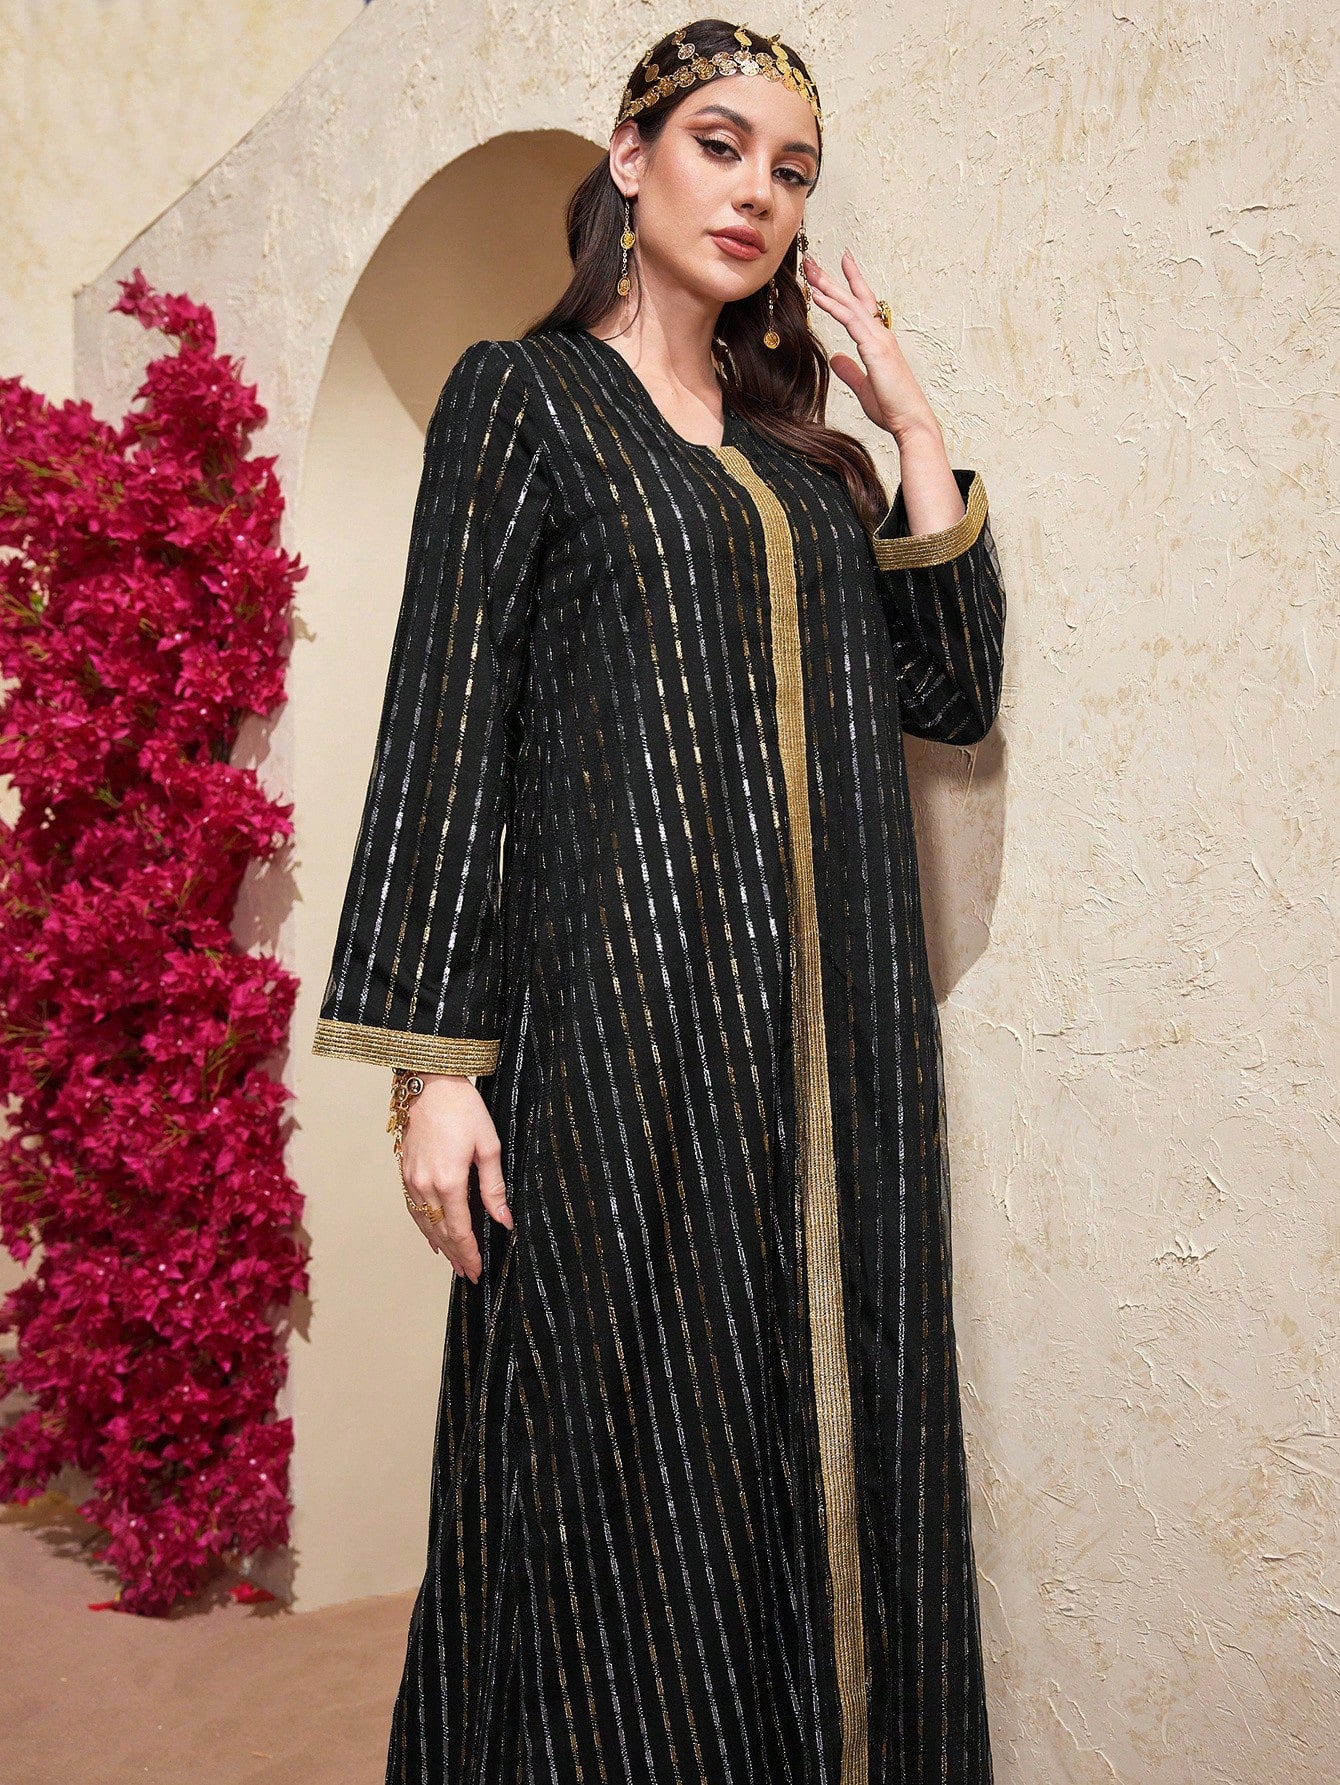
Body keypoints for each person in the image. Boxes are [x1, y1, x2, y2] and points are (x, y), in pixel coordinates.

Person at [311, 17, 1004, 1782]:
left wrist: (909, 419)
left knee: (822, 1434)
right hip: (618, 1033)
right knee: (598, 1450)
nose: (757, 192)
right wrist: (436, 1068)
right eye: (719, 144)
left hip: (833, 1058)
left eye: (793, 170)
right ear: (628, 161)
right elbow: (445, 721)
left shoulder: (802, 463)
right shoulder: (523, 400)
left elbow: (950, 684)